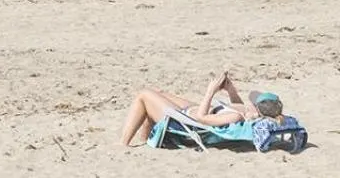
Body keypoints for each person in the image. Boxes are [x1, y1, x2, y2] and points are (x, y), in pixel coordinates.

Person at [119, 71, 284, 147]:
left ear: (258, 106)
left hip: (186, 120)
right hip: (191, 110)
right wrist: (230, 89)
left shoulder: (234, 118)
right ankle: (145, 140)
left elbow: (202, 118)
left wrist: (210, 92)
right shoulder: (250, 114)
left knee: (144, 95)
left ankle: (123, 144)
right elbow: (238, 106)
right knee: (158, 94)